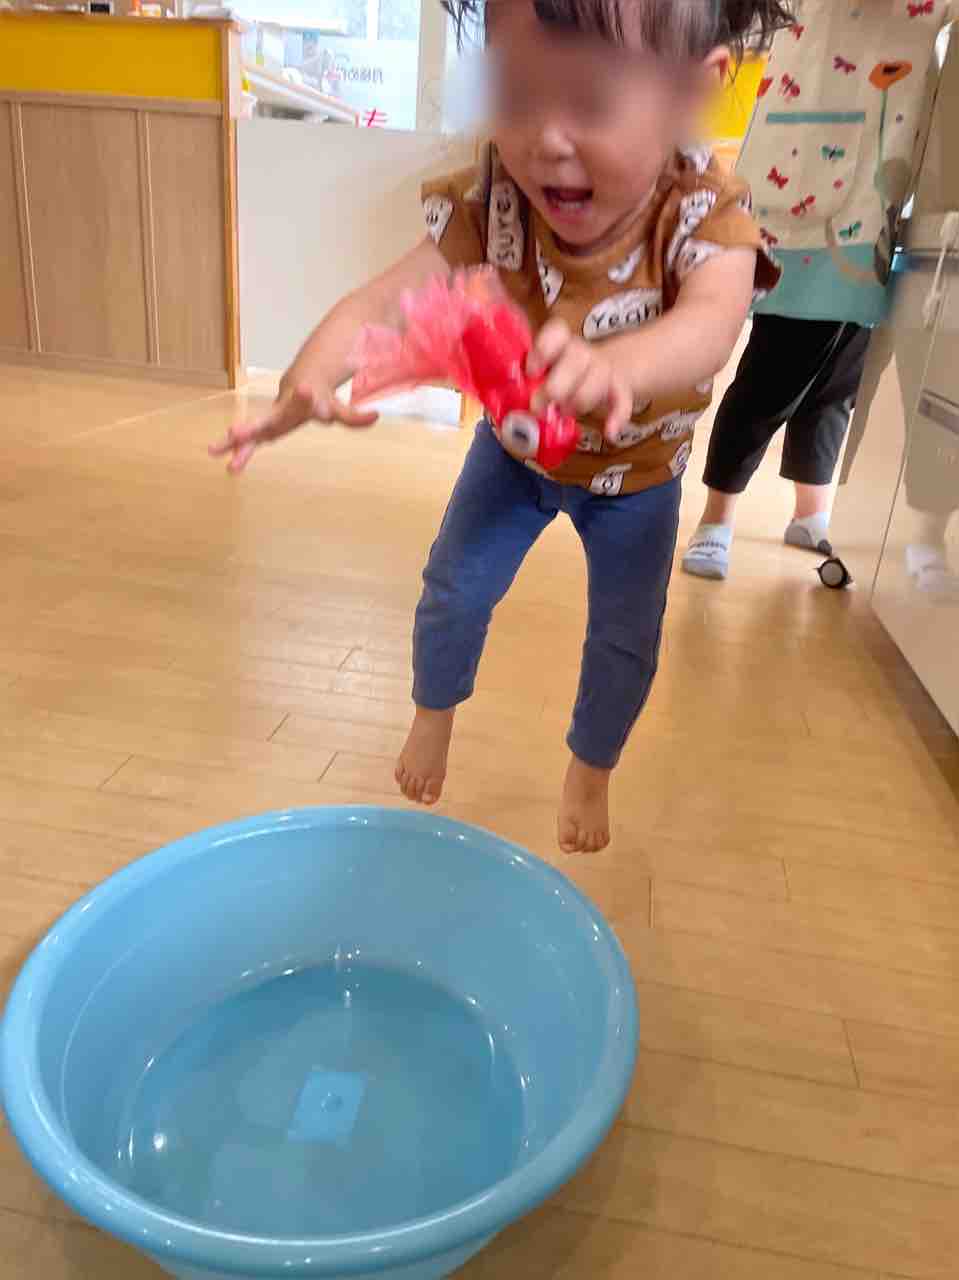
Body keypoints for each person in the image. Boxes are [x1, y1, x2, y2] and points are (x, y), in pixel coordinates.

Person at [210, 0, 787, 854]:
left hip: (639, 478)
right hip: (516, 455)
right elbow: (388, 298)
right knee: (454, 585)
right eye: (517, 94)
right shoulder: (498, 196)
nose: (546, 140)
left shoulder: (704, 209)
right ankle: (433, 709)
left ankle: (591, 766)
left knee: (624, 637)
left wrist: (622, 366)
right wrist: (310, 372)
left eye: (591, 100)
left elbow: (713, 320)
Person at [683, 0, 951, 581]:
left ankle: (809, 512)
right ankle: (715, 518)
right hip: (806, 178)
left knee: (839, 379)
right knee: (774, 373)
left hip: (878, 201)